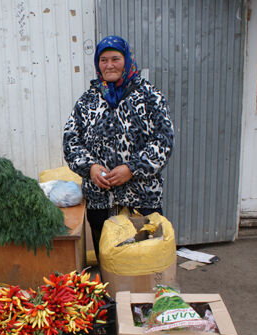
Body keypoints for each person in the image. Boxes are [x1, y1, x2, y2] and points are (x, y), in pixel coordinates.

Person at [63, 35, 175, 260]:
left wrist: (132, 168)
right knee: (109, 263)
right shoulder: (87, 101)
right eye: (103, 60)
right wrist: (91, 167)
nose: (109, 65)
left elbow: (163, 141)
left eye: (115, 58)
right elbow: (71, 141)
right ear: (97, 64)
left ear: (127, 60)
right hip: (100, 200)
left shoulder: (150, 96)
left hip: (142, 199)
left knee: (143, 262)